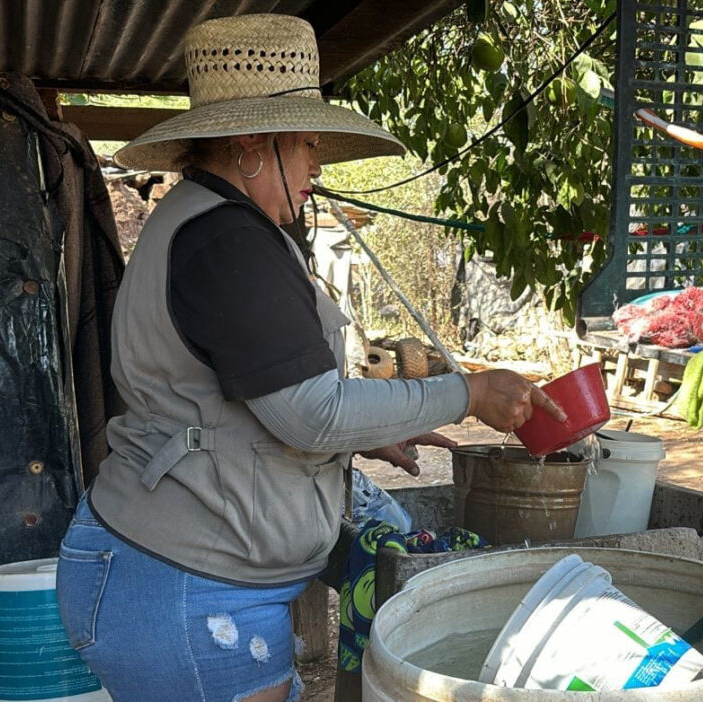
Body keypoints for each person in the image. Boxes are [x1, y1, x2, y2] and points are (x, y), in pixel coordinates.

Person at [54, 14, 564, 702]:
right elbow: (311, 415)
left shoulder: (221, 227)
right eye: (307, 143)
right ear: (250, 143)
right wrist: (467, 394)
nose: (317, 165)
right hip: (184, 589)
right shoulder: (225, 242)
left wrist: (373, 427)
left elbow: (262, 400)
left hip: (187, 580)